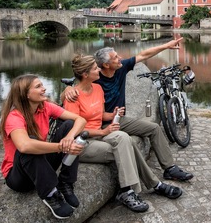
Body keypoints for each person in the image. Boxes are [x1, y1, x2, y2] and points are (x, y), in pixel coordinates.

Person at [64, 54, 183, 212]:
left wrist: (112, 115)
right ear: (85, 74)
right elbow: (74, 128)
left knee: (125, 140)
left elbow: (98, 115)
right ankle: (139, 188)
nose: (98, 69)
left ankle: (135, 189)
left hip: (101, 133)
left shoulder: (97, 88)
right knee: (125, 144)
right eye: (95, 68)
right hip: (82, 142)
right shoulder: (73, 97)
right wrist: (102, 130)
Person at [63, 39, 194, 182]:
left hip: (117, 119)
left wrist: (166, 46)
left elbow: (144, 55)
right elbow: (78, 87)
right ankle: (139, 185)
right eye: (115, 58)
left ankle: (169, 169)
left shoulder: (120, 68)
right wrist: (67, 90)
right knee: (126, 144)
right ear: (106, 65)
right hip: (100, 124)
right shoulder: (95, 77)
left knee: (155, 128)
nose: (120, 59)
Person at [0, 74, 88, 219]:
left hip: (40, 166)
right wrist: (61, 147)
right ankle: (50, 194)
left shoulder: (45, 107)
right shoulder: (14, 117)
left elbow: (80, 120)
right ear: (25, 94)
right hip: (19, 178)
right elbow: (24, 146)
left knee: (70, 126)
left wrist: (69, 138)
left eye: (42, 85)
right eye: (38, 86)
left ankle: (65, 183)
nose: (44, 88)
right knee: (30, 142)